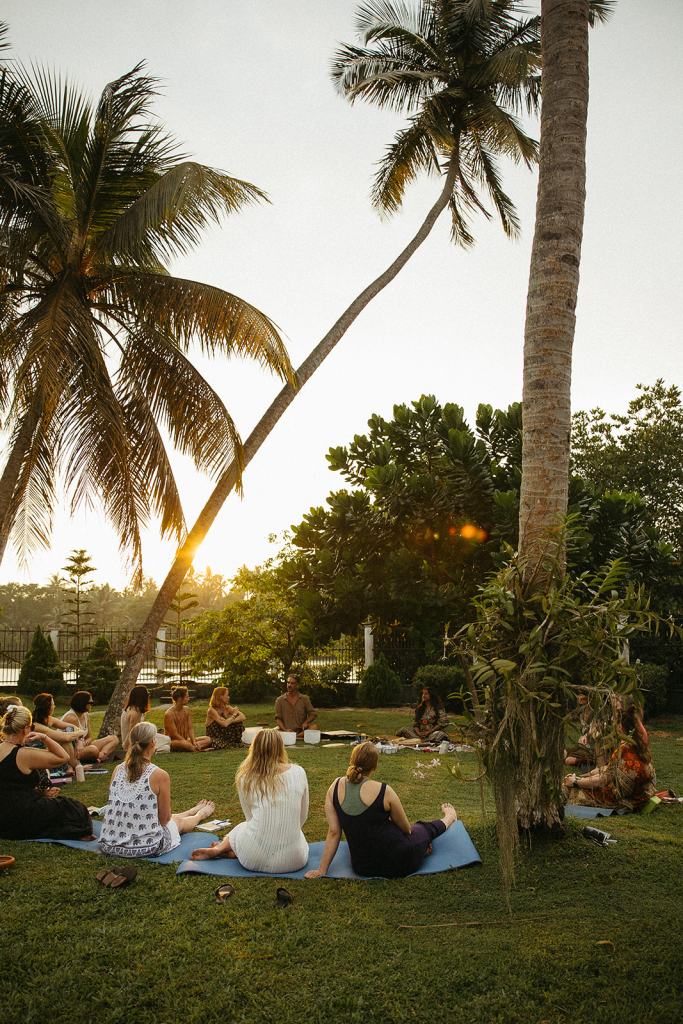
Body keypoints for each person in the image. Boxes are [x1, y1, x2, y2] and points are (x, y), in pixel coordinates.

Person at [305, 740, 457, 879]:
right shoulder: (385, 791)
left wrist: (322, 870)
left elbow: (334, 832)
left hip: (363, 867)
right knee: (422, 828)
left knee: (414, 834)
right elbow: (406, 829)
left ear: (352, 760)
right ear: (374, 766)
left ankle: (422, 847)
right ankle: (449, 817)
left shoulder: (334, 787)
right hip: (399, 861)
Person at [191, 729, 309, 872]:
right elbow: (303, 815)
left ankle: (220, 848)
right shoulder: (298, 772)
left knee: (242, 827)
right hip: (294, 860)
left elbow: (249, 818)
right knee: (295, 835)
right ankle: (231, 850)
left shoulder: (245, 777)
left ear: (254, 748)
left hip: (253, 858)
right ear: (280, 747)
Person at [100, 722, 216, 858]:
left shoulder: (117, 770)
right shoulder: (159, 775)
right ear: (152, 743)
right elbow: (165, 819)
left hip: (109, 843)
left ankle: (191, 810)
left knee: (167, 819)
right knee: (176, 823)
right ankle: (200, 814)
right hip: (142, 847)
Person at [0, 704, 93, 840]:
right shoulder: (23, 754)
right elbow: (63, 757)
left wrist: (40, 793)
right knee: (75, 809)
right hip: (20, 814)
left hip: (3, 814)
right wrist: (44, 737)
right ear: (26, 729)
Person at [563, 703, 656, 811]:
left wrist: (576, 782)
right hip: (642, 795)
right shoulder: (639, 743)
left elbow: (603, 780)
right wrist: (580, 778)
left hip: (624, 800)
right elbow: (607, 770)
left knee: (566, 789)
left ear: (621, 726)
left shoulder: (625, 749)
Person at [62, 691, 119, 763]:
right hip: (72, 751)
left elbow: (89, 737)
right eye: (90, 703)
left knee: (114, 739)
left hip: (84, 746)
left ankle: (100, 756)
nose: (92, 705)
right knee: (93, 749)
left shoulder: (85, 715)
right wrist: (83, 744)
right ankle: (99, 757)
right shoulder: (71, 718)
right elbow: (70, 743)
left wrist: (85, 743)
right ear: (82, 703)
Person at [163, 686, 212, 752]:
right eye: (187, 697)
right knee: (185, 744)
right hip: (173, 741)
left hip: (185, 739)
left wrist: (193, 741)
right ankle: (198, 749)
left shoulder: (187, 710)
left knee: (208, 739)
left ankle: (195, 746)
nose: (188, 699)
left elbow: (190, 728)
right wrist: (186, 742)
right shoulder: (169, 714)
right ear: (180, 698)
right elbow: (174, 734)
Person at [274, 674, 316, 738]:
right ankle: (293, 736)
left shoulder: (305, 699)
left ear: (297, 685)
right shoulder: (279, 700)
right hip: (285, 730)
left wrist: (306, 722)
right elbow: (278, 719)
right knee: (272, 731)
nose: (289, 685)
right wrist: (285, 730)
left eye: (292, 683)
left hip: (301, 730)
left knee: (314, 727)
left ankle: (296, 736)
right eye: (288, 683)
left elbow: (313, 714)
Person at [121, 685, 151, 751]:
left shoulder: (132, 708)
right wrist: (125, 747)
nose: (148, 696)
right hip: (133, 745)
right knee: (166, 741)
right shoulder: (135, 713)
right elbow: (131, 733)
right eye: (147, 694)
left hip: (138, 741)